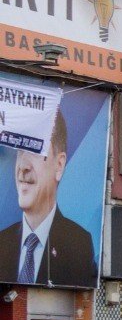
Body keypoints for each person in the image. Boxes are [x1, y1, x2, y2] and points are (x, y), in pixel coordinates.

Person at [0, 110, 98, 288]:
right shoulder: (2, 241)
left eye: (36, 150)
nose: (22, 167)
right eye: (20, 151)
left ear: (59, 165)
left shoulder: (78, 244)